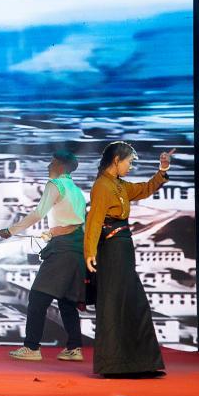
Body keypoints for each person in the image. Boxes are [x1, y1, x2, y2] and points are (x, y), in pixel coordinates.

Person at [84, 142, 173, 378]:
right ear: (116, 160)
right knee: (114, 303)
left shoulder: (119, 185)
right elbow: (94, 220)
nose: (130, 167)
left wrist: (162, 170)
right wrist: (90, 252)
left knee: (133, 303)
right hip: (111, 249)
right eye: (129, 162)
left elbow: (144, 189)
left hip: (123, 248)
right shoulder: (102, 186)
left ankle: (138, 363)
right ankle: (114, 365)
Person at [0, 151, 87, 362]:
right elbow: (74, 222)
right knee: (67, 301)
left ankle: (32, 347)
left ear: (61, 166)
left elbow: (38, 213)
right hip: (76, 249)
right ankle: (74, 347)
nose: (49, 166)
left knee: (38, 297)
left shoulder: (55, 185)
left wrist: (11, 230)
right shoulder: (77, 191)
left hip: (61, 249)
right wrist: (50, 233)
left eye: (52, 162)